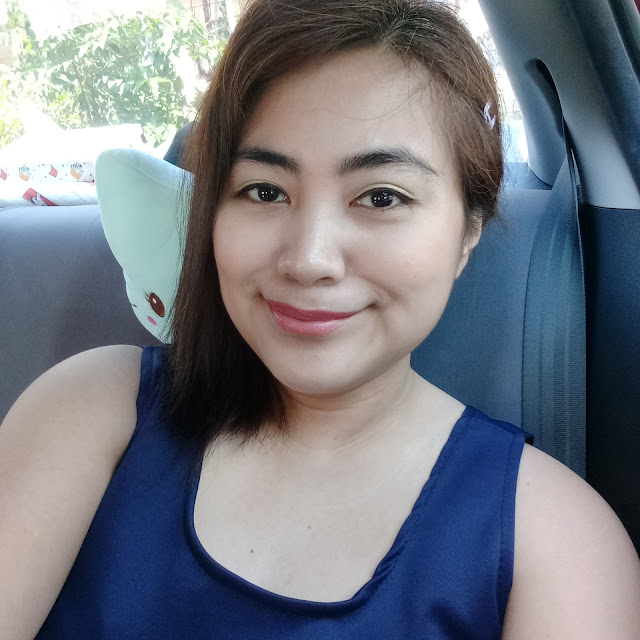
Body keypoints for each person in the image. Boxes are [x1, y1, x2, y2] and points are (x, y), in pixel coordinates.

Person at [2, 1, 640, 638]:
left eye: (381, 197)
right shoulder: (92, 410)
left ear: (468, 230)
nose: (308, 260)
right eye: (264, 191)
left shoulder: (555, 544)